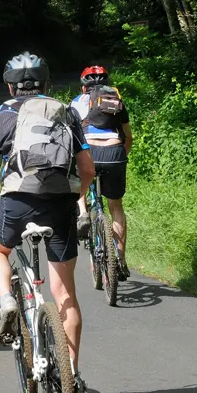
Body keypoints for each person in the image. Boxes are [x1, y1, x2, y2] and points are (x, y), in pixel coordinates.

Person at [0, 53, 94, 393]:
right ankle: (70, 375)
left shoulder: (0, 115)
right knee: (65, 293)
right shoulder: (66, 112)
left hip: (18, 202)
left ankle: (8, 300)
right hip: (60, 205)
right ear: (46, 83)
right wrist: (74, 199)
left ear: (10, 85)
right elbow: (87, 170)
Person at [71, 66, 132, 280]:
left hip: (89, 153)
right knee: (116, 206)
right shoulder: (116, 100)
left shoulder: (77, 101)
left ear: (83, 86)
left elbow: (69, 136)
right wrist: (120, 157)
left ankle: (83, 213)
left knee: (78, 182)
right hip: (115, 153)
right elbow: (128, 137)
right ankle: (121, 261)